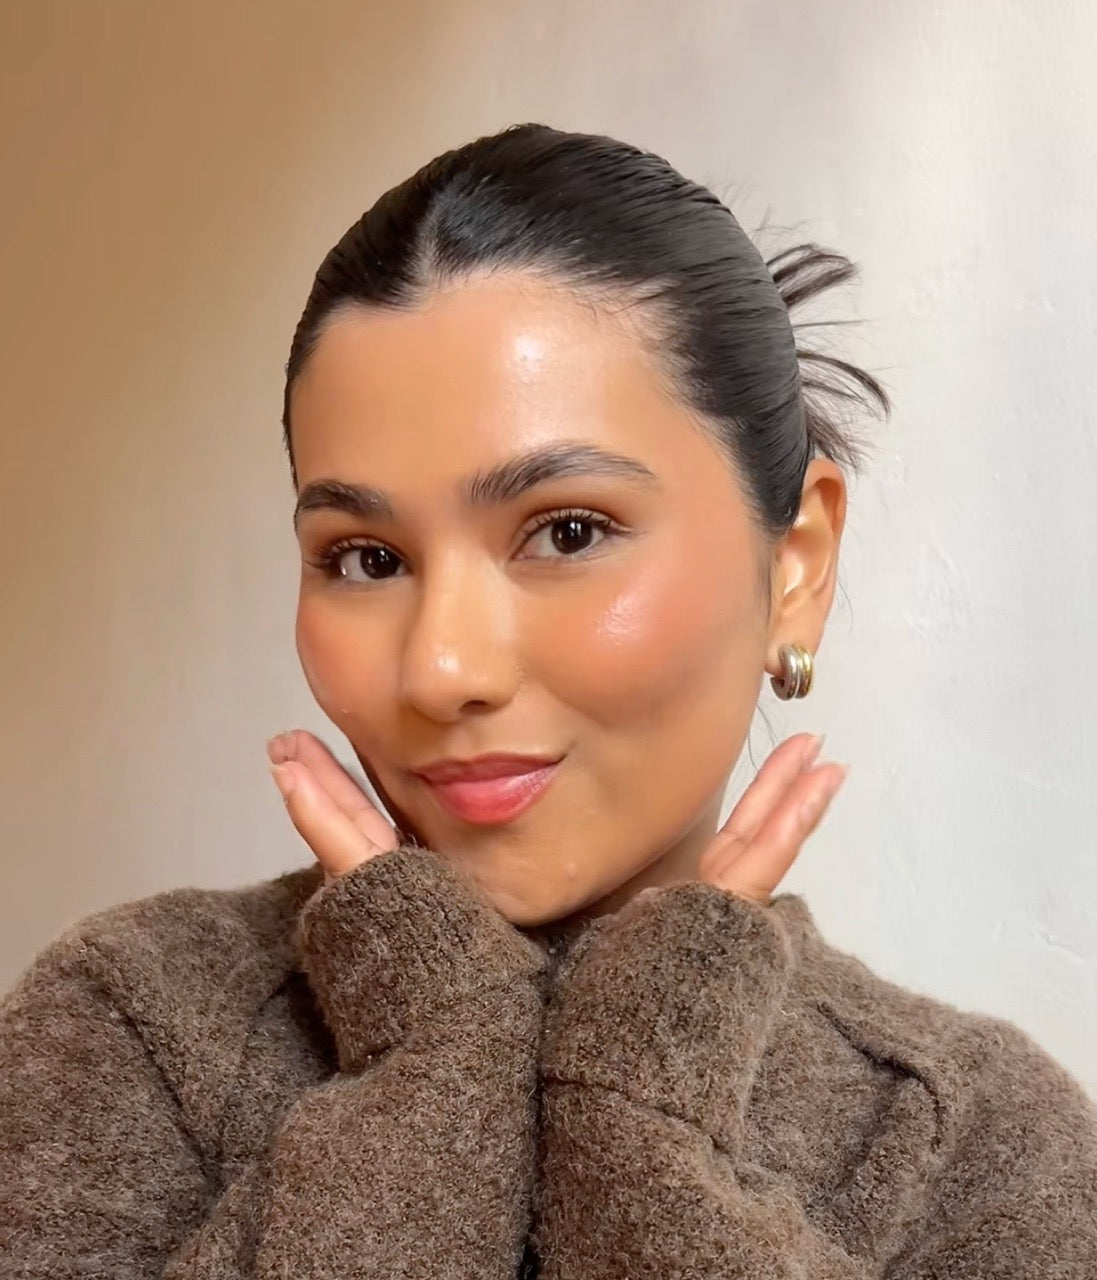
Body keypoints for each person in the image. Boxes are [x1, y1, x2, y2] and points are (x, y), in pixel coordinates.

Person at [2, 122, 1094, 1279]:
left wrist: (642, 1111)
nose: (440, 667)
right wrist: (431, 1067)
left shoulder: (974, 1142)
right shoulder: (133, 1023)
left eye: (566, 531)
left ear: (796, 563)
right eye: (365, 556)